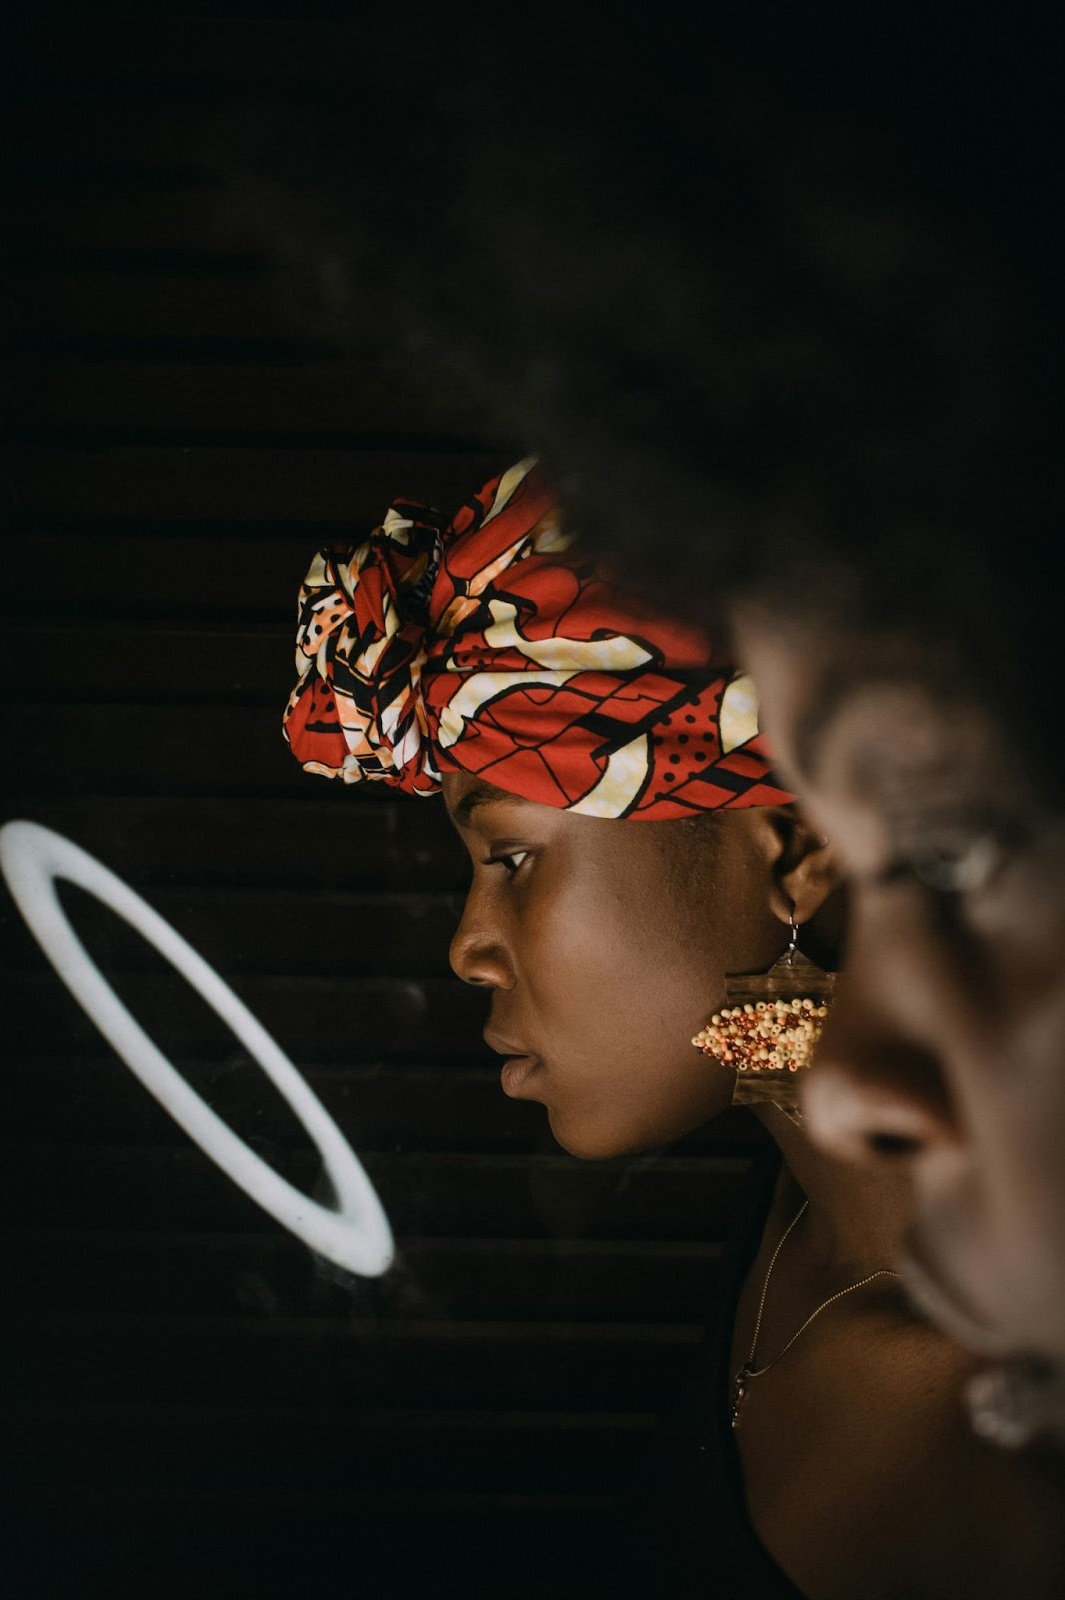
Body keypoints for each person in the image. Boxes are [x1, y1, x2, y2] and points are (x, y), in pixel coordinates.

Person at [282, 457, 1064, 1596]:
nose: (466, 947)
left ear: (794, 849)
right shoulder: (797, 1196)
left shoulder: (1001, 1431)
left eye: (509, 857)